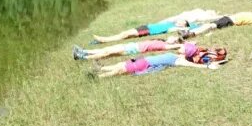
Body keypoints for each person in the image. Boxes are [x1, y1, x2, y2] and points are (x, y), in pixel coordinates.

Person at [89, 49, 228, 78]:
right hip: (143, 60)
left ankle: (98, 77)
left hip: (144, 65)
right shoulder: (177, 54)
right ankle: (100, 68)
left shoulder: (179, 60)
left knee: (121, 70)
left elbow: (195, 65)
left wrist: (208, 66)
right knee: (120, 65)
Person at [73, 40, 225, 63]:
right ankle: (84, 53)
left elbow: (149, 53)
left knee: (108, 52)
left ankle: (83, 56)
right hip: (137, 45)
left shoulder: (171, 48)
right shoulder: (179, 46)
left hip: (137, 47)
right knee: (109, 51)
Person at [169, 10, 252, 42]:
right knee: (208, 25)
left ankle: (189, 34)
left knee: (209, 26)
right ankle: (189, 33)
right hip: (227, 18)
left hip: (229, 21)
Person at [90, 19, 200, 44]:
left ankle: (104, 39)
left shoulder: (175, 28)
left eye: (183, 22)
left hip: (148, 31)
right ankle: (104, 40)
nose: (180, 22)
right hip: (146, 26)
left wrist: (193, 26)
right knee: (125, 35)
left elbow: (190, 28)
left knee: (126, 34)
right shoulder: (172, 22)